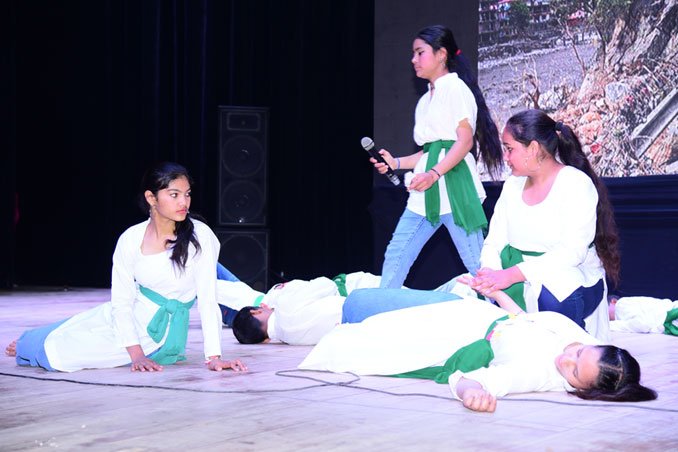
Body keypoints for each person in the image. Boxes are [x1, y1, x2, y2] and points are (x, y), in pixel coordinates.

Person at [5, 162, 247, 373]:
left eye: (187, 194)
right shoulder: (131, 238)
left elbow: (207, 300)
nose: (184, 202)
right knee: (71, 327)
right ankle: (31, 342)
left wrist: (214, 357)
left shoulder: (200, 237)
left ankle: (34, 345)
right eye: (174, 195)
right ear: (151, 198)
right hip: (126, 318)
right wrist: (136, 355)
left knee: (61, 354)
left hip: (152, 334)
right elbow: (121, 301)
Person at [299, 286, 657, 413]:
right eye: (578, 353)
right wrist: (495, 292)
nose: (566, 358)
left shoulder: (537, 373)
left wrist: (472, 393)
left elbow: (477, 381)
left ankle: (280, 320)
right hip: (464, 309)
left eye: (575, 371)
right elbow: (524, 321)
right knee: (359, 300)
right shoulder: (578, 337)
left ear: (584, 389)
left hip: (440, 332)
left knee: (354, 310)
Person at [469, 109, 620, 341]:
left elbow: (572, 253)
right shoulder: (512, 186)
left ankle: (571, 348)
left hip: (573, 276)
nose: (506, 158)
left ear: (533, 148)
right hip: (514, 275)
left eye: (509, 149)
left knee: (556, 294)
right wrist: (491, 272)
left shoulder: (576, 184)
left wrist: (511, 275)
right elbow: (494, 241)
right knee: (470, 296)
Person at [371, 24, 504, 289]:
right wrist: (396, 163)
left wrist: (433, 174)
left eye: (420, 53)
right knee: (397, 252)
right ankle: (383, 304)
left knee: (478, 264)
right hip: (426, 192)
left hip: (455, 187)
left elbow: (464, 142)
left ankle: (505, 310)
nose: (413, 60)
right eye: (413, 54)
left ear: (441, 54)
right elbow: (429, 152)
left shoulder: (456, 89)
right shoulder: (424, 101)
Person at [230, 272, 478, 345]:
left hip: (359, 329)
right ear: (256, 312)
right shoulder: (284, 304)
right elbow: (326, 285)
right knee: (427, 301)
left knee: (420, 309)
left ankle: (468, 293)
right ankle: (470, 289)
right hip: (356, 304)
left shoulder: (288, 339)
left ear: (263, 340)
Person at [609, 294, 678, 335]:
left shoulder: (620, 304)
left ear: (613, 301)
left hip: (672, 316)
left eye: (604, 309)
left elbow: (642, 324)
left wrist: (608, 325)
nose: (604, 316)